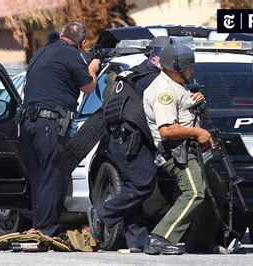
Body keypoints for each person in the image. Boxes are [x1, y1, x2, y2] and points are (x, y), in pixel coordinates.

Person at [88, 36, 172, 252]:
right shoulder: (153, 79)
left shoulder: (132, 73)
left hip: (119, 140)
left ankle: (137, 241)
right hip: (134, 141)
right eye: (168, 58)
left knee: (131, 187)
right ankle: (102, 213)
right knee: (141, 185)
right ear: (155, 58)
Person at [142, 43, 227, 255]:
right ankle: (159, 238)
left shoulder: (176, 85)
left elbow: (182, 113)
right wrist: (199, 133)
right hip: (177, 152)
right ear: (176, 66)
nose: (192, 70)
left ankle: (199, 242)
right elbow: (167, 130)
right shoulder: (164, 91)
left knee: (216, 187)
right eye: (189, 66)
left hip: (191, 149)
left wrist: (194, 101)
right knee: (195, 191)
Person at [21, 21, 100, 237]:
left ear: (63, 34)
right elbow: (89, 87)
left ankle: (38, 226)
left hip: (30, 124)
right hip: (50, 124)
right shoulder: (71, 55)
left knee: (40, 178)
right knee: (54, 176)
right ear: (82, 43)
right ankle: (46, 230)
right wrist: (92, 68)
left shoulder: (42, 51)